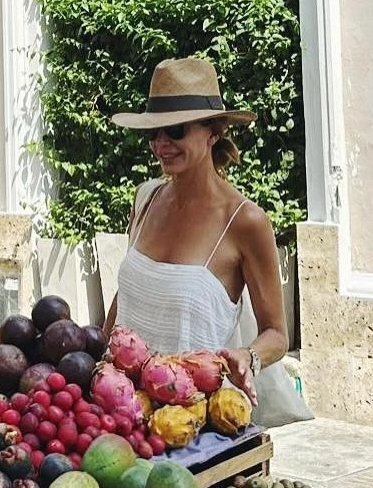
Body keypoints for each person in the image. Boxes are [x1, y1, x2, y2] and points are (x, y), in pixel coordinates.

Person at [104, 56, 288, 406]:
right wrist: (95, 356)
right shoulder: (146, 198)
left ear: (213, 132)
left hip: (193, 423)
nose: (161, 143)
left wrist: (248, 356)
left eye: (175, 131)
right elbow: (126, 298)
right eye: (153, 132)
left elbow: (277, 334)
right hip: (121, 411)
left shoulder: (245, 221)